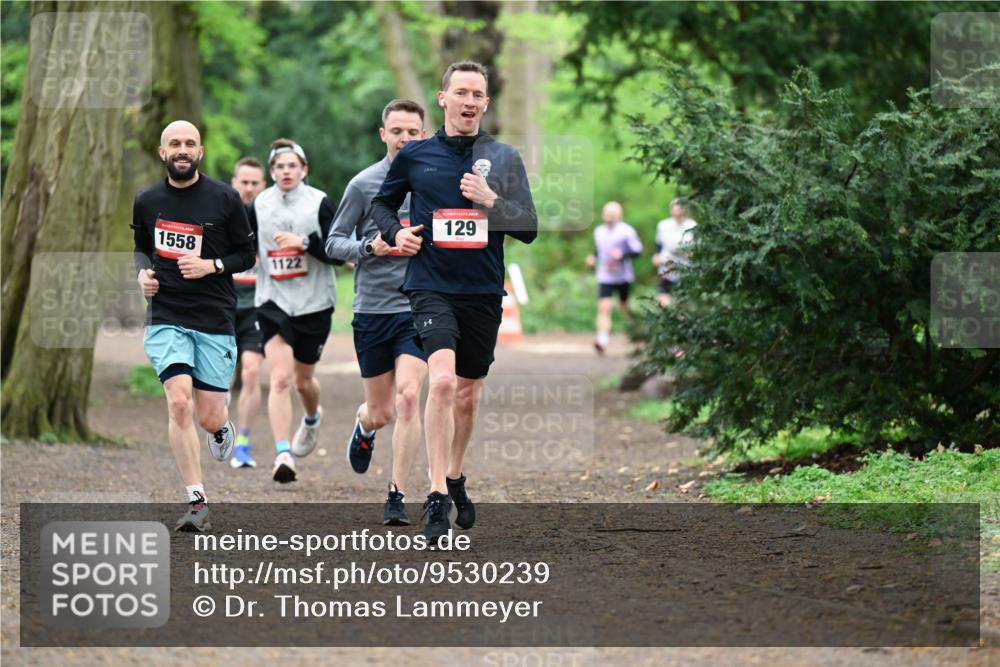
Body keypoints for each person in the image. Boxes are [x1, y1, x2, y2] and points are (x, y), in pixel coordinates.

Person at [372, 61, 538, 546]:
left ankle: (455, 472)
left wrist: (491, 201)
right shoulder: (417, 155)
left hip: (483, 290)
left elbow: (528, 228)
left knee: (468, 394)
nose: (469, 101)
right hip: (430, 285)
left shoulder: (503, 158)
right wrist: (397, 233)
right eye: (460, 92)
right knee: (440, 382)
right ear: (443, 99)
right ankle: (437, 497)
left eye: (478, 95)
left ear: (486, 104)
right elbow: (382, 205)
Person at [132, 120, 256, 531]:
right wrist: (143, 275)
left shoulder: (225, 198)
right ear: (162, 152)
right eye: (174, 144)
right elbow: (141, 250)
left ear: (200, 152)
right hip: (166, 315)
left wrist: (212, 265)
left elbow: (247, 254)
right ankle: (197, 500)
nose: (182, 149)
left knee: (208, 416)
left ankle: (221, 428)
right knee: (179, 400)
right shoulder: (147, 200)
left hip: (215, 317)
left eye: (189, 143)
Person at [326, 99, 429, 525]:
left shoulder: (434, 183)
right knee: (382, 410)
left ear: (423, 135)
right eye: (397, 131)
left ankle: (397, 494)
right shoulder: (364, 184)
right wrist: (370, 247)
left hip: (420, 304)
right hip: (373, 310)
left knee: (409, 397)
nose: (405, 139)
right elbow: (332, 243)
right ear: (383, 134)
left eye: (413, 132)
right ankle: (365, 426)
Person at [248, 139, 341, 484]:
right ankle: (282, 454)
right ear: (271, 172)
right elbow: (242, 245)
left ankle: (313, 417)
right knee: (281, 377)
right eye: (279, 167)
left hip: (314, 302)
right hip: (272, 301)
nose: (286, 172)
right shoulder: (259, 204)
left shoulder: (319, 202)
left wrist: (304, 243)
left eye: (292, 166)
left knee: (303, 380)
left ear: (304, 169)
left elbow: (337, 251)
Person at [228, 156, 267, 468]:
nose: (250, 188)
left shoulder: (270, 216)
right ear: (234, 183)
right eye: (245, 182)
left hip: (256, 306)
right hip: (223, 306)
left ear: (262, 186)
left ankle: (243, 442)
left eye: (255, 183)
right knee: (222, 377)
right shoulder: (219, 215)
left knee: (252, 371)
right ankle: (220, 432)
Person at [586, 201, 642, 354]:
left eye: (612, 214)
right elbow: (599, 250)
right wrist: (593, 258)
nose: (608, 217)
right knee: (604, 307)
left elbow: (638, 251)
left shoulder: (627, 231)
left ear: (619, 215)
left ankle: (638, 332)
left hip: (623, 276)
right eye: (606, 213)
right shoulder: (599, 231)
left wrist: (622, 255)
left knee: (625, 306)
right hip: (605, 276)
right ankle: (602, 340)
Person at [653, 198, 697, 307]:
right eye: (675, 208)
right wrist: (656, 256)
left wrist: (693, 254)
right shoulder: (663, 225)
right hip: (666, 265)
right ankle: (666, 319)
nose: (678, 211)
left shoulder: (692, 225)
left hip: (684, 266)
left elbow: (697, 246)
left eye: (680, 208)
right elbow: (658, 244)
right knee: (663, 298)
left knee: (681, 301)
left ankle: (679, 320)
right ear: (671, 210)